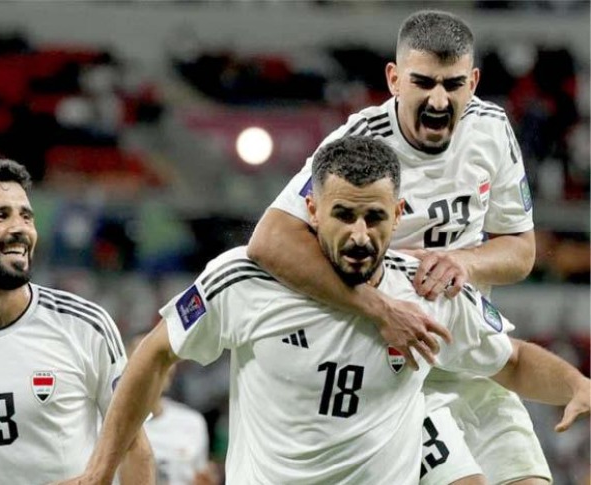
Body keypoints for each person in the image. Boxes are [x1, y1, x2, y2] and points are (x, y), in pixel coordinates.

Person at [57, 136, 589, 485]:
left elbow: (512, 360)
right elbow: (155, 353)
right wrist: (101, 470)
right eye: (343, 215)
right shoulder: (244, 279)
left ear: (399, 214)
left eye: (375, 217)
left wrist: (576, 385)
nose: (359, 234)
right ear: (311, 209)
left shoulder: (428, 290)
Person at [247, 10, 546, 485]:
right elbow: (270, 239)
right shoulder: (358, 145)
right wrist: (379, 307)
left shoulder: (491, 128)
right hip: (389, 366)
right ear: (394, 80)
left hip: (468, 353)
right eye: (422, 82)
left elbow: (521, 250)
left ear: (472, 82)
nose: (438, 99)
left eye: (452, 84)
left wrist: (464, 261)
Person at [0, 158, 153, 484]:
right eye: (0, 216)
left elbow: (134, 447)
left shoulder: (86, 327)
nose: (20, 228)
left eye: (26, 216)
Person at [125, 334, 219, 485]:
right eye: (146, 359)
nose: (158, 367)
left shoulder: (192, 423)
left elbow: (200, 478)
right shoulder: (106, 425)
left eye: (164, 358)